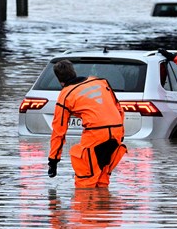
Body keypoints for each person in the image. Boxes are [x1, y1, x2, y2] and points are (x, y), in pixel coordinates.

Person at [48, 60, 127, 188]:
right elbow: (118, 108)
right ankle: (103, 204)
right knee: (103, 176)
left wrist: (53, 160)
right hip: (116, 131)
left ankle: (86, 205)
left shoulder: (65, 95)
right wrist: (120, 133)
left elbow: (59, 131)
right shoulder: (100, 82)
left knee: (85, 179)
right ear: (74, 71)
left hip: (96, 134)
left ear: (60, 81)